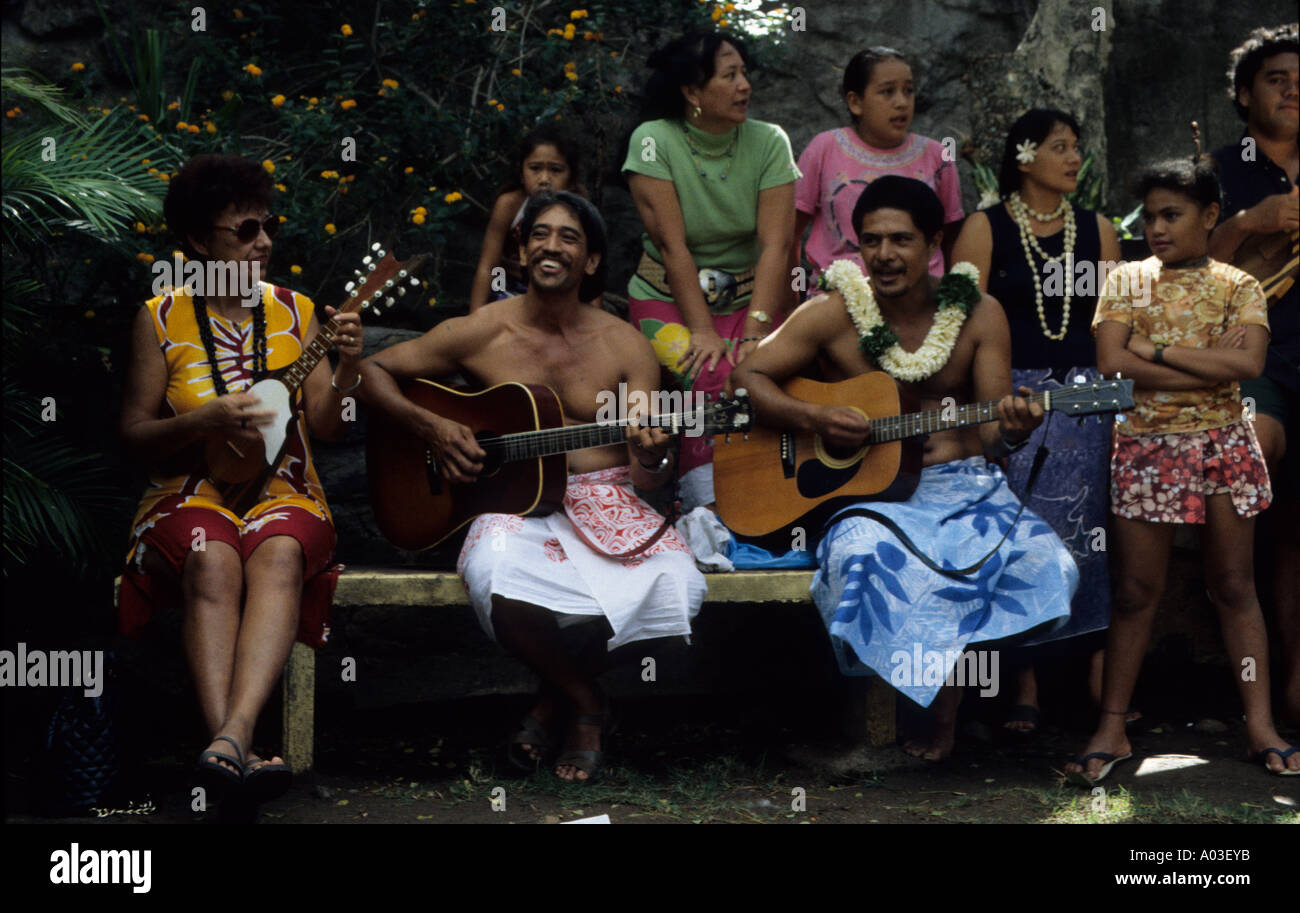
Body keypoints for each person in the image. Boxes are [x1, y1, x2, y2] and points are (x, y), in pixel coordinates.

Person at [358, 191, 706, 782]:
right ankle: (588, 703)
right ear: (519, 252)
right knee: (495, 574)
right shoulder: (480, 331)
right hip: (510, 502)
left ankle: (553, 701)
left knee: (679, 589)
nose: (551, 245)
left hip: (604, 494)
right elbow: (374, 370)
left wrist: (653, 449)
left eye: (569, 237)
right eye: (539, 234)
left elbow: (647, 460)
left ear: (591, 261)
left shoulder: (625, 344)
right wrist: (436, 427)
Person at [730, 176, 1077, 760]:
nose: (884, 255)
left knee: (1046, 562)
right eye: (871, 241)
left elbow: (994, 430)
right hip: (869, 495)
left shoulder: (978, 314)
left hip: (962, 485)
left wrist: (1014, 428)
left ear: (934, 242)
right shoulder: (832, 314)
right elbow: (747, 378)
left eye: (901, 240)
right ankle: (908, 716)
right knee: (865, 558)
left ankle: (949, 702)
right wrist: (815, 417)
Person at [118, 154, 365, 803]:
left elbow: (331, 428)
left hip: (288, 495)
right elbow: (134, 435)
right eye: (246, 230)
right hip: (185, 495)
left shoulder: (295, 311)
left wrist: (346, 369)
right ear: (199, 242)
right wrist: (203, 418)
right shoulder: (160, 317)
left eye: (268, 228)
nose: (264, 243)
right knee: (212, 556)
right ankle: (240, 750)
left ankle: (228, 738)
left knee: (280, 549)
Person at [1067, 155, 1299, 782]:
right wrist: (1201, 361)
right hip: (1146, 448)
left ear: (1211, 216)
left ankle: (1259, 724)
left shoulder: (1237, 283)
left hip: (1224, 445)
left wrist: (1159, 350)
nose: (1157, 228)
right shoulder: (1128, 281)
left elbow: (1248, 366)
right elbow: (1114, 364)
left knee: (1233, 586)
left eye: (1173, 215)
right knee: (1138, 592)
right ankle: (1111, 727)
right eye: (1150, 217)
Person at [951, 108, 1123, 735]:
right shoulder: (984, 226)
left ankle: (1095, 678)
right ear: (1024, 158)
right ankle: (1021, 683)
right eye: (1060, 147)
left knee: (1092, 531)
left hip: (1086, 399)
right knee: (1021, 525)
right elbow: (959, 321)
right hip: (1010, 398)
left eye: (1077, 146)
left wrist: (1110, 401)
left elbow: (1109, 324)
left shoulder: (1098, 228)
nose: (1074, 157)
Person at [624, 30, 799, 509]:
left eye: (744, 73)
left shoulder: (769, 142)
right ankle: (710, 507)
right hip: (668, 297)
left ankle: (777, 499)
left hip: (752, 299)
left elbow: (776, 245)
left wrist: (758, 330)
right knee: (708, 375)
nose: (744, 85)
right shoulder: (653, 141)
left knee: (762, 372)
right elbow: (672, 246)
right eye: (730, 76)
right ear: (692, 92)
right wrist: (702, 329)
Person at [1208, 23, 1299, 725]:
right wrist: (1251, 220)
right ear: (1245, 95)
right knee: (1255, 448)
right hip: (1252, 358)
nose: (1294, 88)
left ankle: (1293, 689)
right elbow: (1180, 263)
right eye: (1277, 78)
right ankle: (1238, 674)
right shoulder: (1216, 170)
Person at [793, 47, 964, 292]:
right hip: (837, 304)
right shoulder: (824, 148)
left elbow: (952, 238)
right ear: (855, 102)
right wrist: (789, 302)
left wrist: (953, 302)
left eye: (908, 91)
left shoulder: (938, 156)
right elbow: (788, 235)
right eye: (887, 92)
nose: (902, 102)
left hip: (920, 306)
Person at [469, 125, 586, 312]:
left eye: (556, 170)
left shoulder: (580, 206)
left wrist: (596, 318)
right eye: (535, 169)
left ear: (571, 177)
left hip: (559, 290)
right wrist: (474, 320)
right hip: (508, 286)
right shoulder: (509, 204)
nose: (544, 179)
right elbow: (488, 266)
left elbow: (591, 268)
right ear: (521, 171)